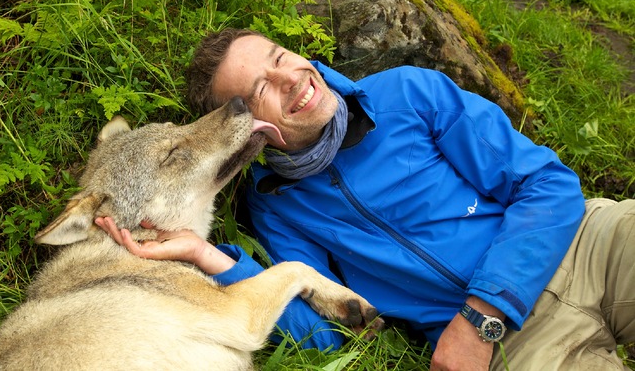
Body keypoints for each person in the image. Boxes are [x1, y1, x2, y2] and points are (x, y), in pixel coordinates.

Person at [96, 28, 635, 370]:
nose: (290, 77)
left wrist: (480, 316)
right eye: (261, 88)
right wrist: (206, 255)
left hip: (586, 245)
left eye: (281, 55)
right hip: (518, 348)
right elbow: (327, 333)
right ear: (247, 131)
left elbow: (548, 184)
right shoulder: (276, 207)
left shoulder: (408, 93)